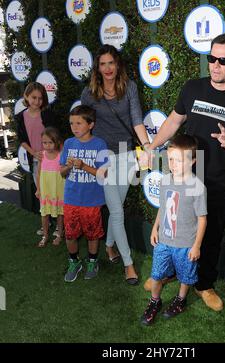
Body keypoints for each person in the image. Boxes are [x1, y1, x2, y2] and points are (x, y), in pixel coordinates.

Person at [141, 34, 225, 311]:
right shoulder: (192, 88)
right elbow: (174, 121)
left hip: (217, 183)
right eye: (211, 58)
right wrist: (153, 146)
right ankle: (169, 273)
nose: (215, 65)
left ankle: (203, 285)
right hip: (183, 180)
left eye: (223, 60)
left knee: (210, 237)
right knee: (173, 229)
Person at [81, 44, 150, 285]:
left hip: (128, 154)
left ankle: (109, 246)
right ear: (97, 68)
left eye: (111, 63)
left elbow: (137, 120)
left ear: (117, 64)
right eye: (103, 64)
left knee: (116, 206)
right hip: (104, 157)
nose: (108, 68)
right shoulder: (89, 93)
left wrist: (147, 147)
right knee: (118, 211)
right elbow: (84, 126)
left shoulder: (129, 87)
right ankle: (129, 264)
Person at [141, 135, 207, 325]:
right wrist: (155, 228)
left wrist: (197, 246)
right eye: (170, 159)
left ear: (193, 161)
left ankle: (180, 300)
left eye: (179, 160)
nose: (173, 164)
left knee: (185, 276)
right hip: (164, 241)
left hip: (186, 245)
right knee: (156, 274)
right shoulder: (165, 181)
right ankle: (155, 301)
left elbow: (202, 219)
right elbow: (162, 207)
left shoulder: (197, 187)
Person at [60, 105, 108, 282]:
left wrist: (84, 166)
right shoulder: (68, 143)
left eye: (79, 123)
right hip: (71, 198)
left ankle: (92, 261)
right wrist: (69, 166)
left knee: (92, 234)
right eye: (72, 123)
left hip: (91, 200)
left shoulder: (99, 144)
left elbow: (104, 174)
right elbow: (62, 173)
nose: (74, 127)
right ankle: (74, 261)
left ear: (91, 124)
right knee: (70, 234)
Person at [15, 82, 59, 236]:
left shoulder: (47, 114)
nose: (37, 101)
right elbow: (22, 139)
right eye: (34, 97)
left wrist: (51, 153)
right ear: (26, 96)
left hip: (52, 159)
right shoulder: (20, 117)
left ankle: (60, 225)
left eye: (40, 98)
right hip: (35, 160)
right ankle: (46, 224)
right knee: (41, 193)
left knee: (55, 191)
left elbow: (55, 136)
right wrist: (33, 152)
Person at [35, 127, 65, 247]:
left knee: (59, 214)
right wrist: (38, 189)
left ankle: (59, 235)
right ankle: (45, 235)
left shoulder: (61, 155)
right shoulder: (41, 155)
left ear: (57, 142)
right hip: (46, 190)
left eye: (50, 142)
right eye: (44, 143)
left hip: (58, 190)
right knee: (44, 214)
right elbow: (38, 173)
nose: (47, 145)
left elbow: (64, 173)